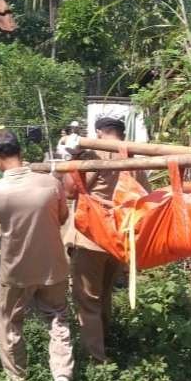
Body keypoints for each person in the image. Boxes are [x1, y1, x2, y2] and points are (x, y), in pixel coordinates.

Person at [0, 129, 76, 381]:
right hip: (54, 266)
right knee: (58, 317)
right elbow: (61, 217)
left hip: (16, 270)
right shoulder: (50, 183)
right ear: (21, 152)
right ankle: (61, 373)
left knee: (10, 323)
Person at [63, 117, 149, 362]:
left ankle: (95, 357)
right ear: (121, 133)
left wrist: (72, 159)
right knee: (104, 294)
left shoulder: (95, 152)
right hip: (119, 236)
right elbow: (145, 197)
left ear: (99, 132)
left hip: (90, 236)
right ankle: (106, 343)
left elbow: (71, 191)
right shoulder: (133, 158)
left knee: (87, 298)